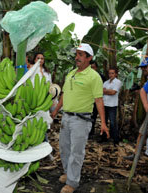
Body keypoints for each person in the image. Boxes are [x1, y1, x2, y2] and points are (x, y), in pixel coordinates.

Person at [51, 43, 109, 193]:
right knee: (64, 149)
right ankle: (67, 173)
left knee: (76, 153)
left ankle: (72, 182)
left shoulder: (94, 77)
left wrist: (103, 122)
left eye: (81, 55)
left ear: (89, 58)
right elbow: (64, 95)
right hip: (66, 117)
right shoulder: (71, 73)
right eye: (77, 54)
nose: (77, 57)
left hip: (81, 120)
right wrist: (55, 111)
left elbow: (99, 100)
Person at [124, 57, 148, 160]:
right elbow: (143, 91)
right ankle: (136, 154)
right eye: (142, 68)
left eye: (145, 67)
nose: (143, 69)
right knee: (142, 133)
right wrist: (147, 108)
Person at [101, 67, 122, 145]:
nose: (110, 75)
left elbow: (113, 92)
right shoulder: (106, 82)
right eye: (109, 73)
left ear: (116, 74)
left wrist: (105, 91)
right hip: (104, 104)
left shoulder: (118, 82)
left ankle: (115, 140)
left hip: (112, 105)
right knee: (104, 122)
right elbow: (101, 91)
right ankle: (104, 138)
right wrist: (107, 91)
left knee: (113, 123)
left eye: (112, 73)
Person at [89, 61, 106, 137]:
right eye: (90, 67)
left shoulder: (101, 77)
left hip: (97, 100)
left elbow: (104, 88)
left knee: (94, 116)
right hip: (87, 100)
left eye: (93, 67)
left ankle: (92, 131)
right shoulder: (86, 76)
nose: (92, 69)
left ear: (96, 68)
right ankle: (88, 131)